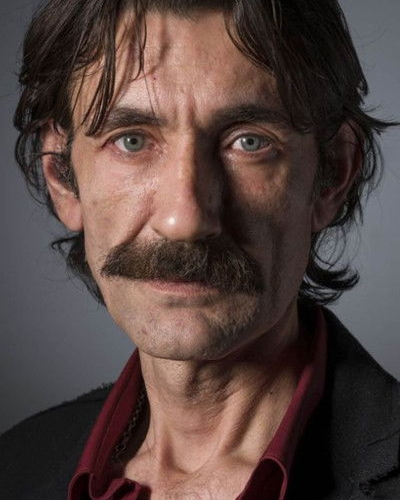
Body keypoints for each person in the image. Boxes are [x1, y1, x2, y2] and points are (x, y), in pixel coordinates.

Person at [0, 0, 399, 498]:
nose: (184, 220)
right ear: (61, 176)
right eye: (131, 141)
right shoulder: (14, 467)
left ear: (333, 173)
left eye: (249, 142)